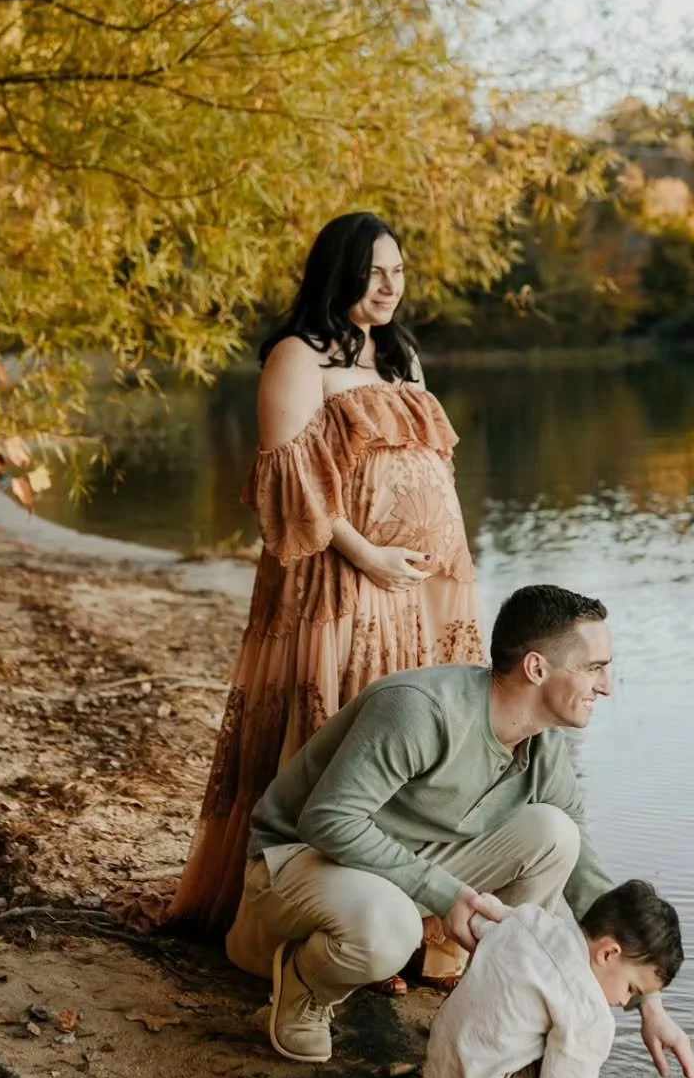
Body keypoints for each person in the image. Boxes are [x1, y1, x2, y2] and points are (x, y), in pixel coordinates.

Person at [140, 211, 484, 940]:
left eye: (399, 271)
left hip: (417, 591)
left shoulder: (400, 357)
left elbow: (426, 469)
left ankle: (406, 915)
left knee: (411, 746)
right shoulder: (298, 357)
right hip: (340, 585)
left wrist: (440, 562)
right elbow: (289, 487)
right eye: (375, 272)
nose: (391, 286)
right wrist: (369, 555)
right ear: (339, 272)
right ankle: (313, 914)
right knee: (333, 731)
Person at [224, 583, 694, 1078]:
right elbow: (328, 820)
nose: (606, 686)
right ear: (536, 668)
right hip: (301, 861)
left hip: (396, 869)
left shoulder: (542, 746)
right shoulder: (420, 710)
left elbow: (586, 872)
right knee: (391, 928)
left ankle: (495, 1010)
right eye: (594, 668)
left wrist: (647, 996)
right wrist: (444, 895)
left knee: (556, 834)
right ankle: (302, 984)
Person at [419, 879, 684, 1078]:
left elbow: (484, 919)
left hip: (442, 1062)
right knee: (575, 1045)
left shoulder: (532, 920)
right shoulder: (588, 1007)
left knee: (534, 1018)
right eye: (631, 988)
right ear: (608, 953)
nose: (624, 1001)